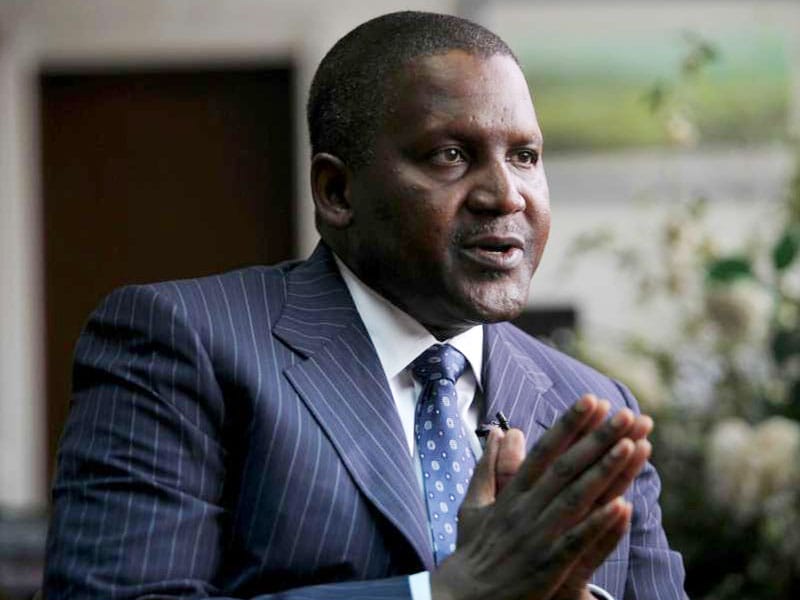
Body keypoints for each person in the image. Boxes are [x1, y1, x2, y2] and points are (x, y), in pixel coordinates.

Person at [43, 11, 687, 600]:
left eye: (525, 157)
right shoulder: (184, 342)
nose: (506, 195)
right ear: (337, 191)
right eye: (451, 155)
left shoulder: (594, 408)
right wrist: (448, 594)